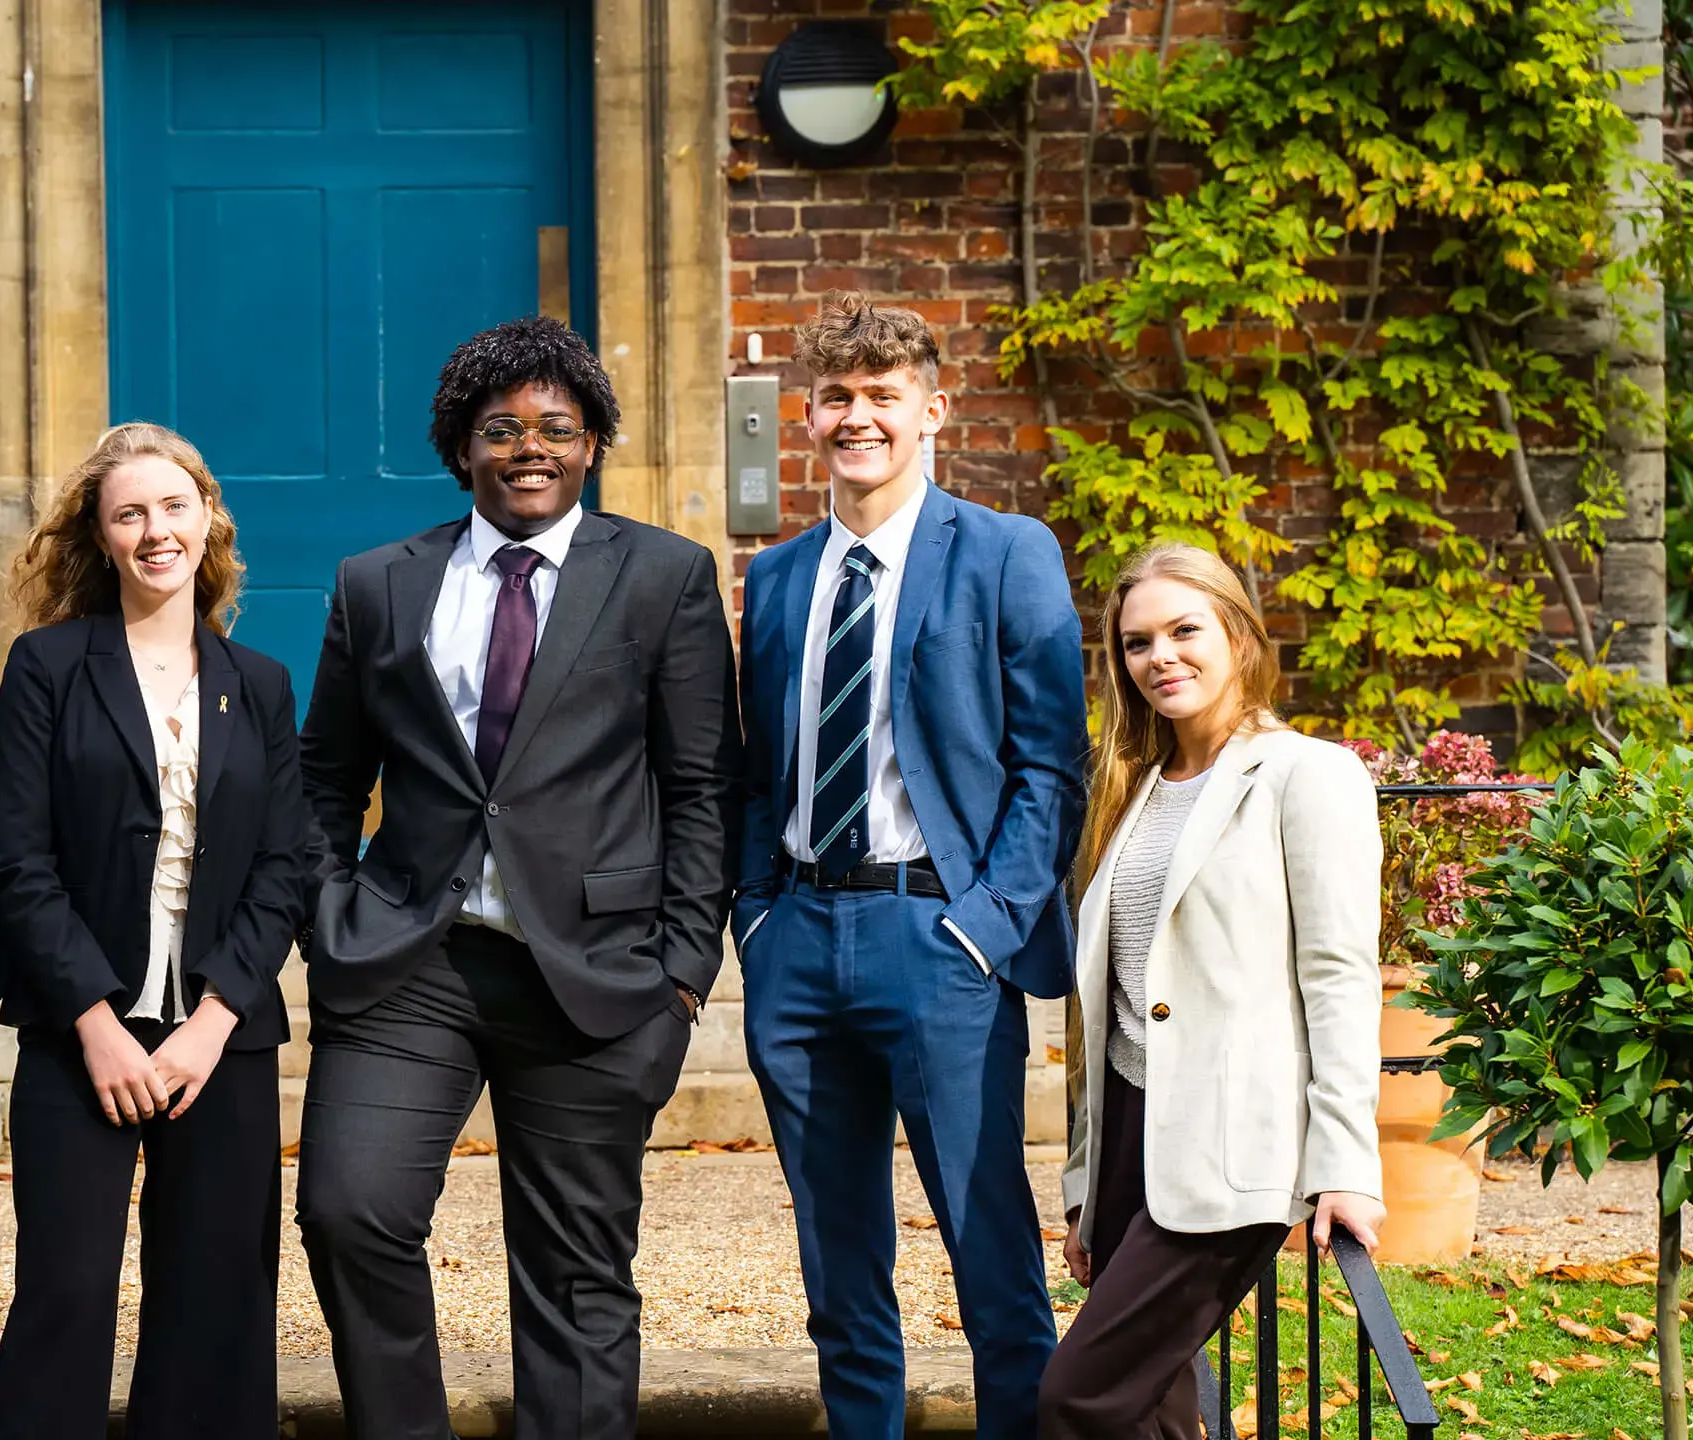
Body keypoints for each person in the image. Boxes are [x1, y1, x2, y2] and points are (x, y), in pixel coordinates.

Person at [295, 315, 742, 1440]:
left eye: (557, 425)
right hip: (411, 963)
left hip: (593, 976)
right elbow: (324, 780)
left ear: (592, 443)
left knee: (577, 1271)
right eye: (501, 428)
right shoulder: (377, 585)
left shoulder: (662, 578)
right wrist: (327, 913)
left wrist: (682, 969)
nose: (528, 446)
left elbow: (701, 785)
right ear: (462, 448)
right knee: (351, 1211)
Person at [732, 293, 1085, 1439]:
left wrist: (988, 923)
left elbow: (1051, 767)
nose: (857, 418)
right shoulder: (778, 577)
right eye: (836, 397)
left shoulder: (1004, 553)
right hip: (797, 941)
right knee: (839, 1267)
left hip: (938, 941)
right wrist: (754, 917)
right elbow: (753, 766)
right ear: (808, 414)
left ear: (932, 409)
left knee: (992, 1259)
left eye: (882, 396)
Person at [0, 422, 309, 1439]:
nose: (156, 530)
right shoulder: (47, 667)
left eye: (174, 507)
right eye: (131, 513)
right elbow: (15, 861)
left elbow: (284, 864)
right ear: (103, 534)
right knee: (66, 1296)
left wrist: (215, 1018)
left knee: (217, 1302)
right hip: (83, 1032)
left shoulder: (257, 683)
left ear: (208, 518)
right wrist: (95, 1019)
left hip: (223, 1039)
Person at [1038, 543, 1385, 1439]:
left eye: (1184, 630)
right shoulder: (1134, 789)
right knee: (1152, 1410)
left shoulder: (1310, 774)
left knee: (1077, 1396)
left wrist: (1346, 1164)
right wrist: (1086, 1178)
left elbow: (1339, 976)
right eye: (1137, 642)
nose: (1161, 657)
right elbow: (1107, 999)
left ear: (1236, 633)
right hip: (1129, 1140)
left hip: (1234, 1146)